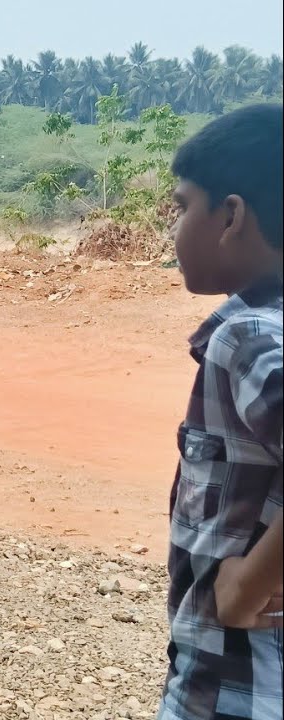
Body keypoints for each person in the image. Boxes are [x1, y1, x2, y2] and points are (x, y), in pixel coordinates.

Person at [159, 103, 283, 720]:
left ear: (231, 215)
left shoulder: (250, 336)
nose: (174, 230)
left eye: (182, 208)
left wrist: (248, 583)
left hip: (231, 690)